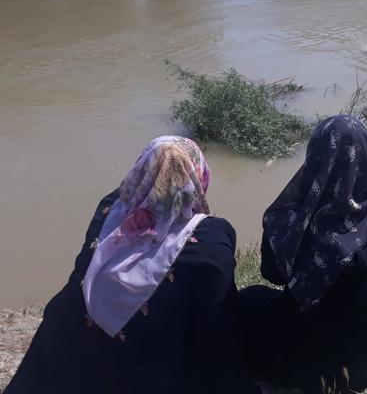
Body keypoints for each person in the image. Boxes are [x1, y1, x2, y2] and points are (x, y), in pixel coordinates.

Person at [5, 136, 260, 394]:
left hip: (64, 347)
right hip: (148, 370)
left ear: (140, 171)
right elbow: (217, 322)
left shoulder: (109, 208)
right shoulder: (210, 238)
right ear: (197, 178)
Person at [239, 115, 367, 394]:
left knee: (249, 300)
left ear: (314, 158)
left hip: (330, 369)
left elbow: (272, 274)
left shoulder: (295, 223)